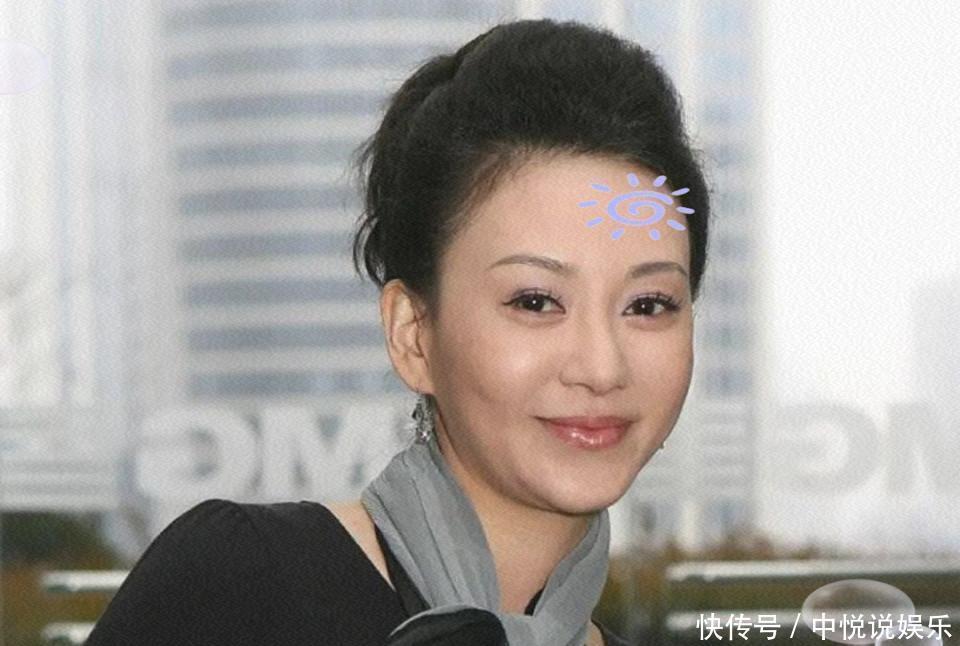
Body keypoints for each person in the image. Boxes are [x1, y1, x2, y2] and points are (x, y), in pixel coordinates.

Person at [85, 17, 710, 646]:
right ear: (412, 333)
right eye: (536, 301)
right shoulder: (240, 585)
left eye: (648, 305)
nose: (602, 367)